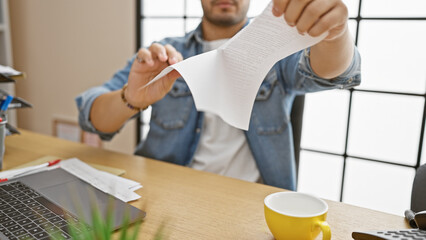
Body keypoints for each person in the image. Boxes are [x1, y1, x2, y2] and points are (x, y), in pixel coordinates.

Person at [76, 0, 361, 191]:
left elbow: (332, 71)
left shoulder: (276, 53)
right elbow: (93, 117)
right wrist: (132, 98)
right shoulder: (165, 53)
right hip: (162, 194)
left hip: (250, 204)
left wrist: (335, 34)